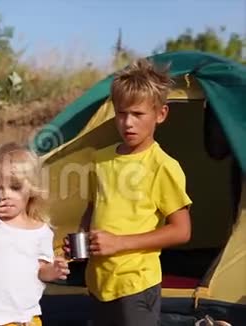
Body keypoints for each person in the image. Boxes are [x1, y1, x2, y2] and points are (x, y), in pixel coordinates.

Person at [67, 58, 193, 326]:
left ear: (160, 114)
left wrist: (119, 243)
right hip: (99, 282)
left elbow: (182, 231)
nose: (128, 123)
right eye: (122, 113)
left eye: (138, 114)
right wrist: (80, 242)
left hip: (136, 284)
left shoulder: (162, 166)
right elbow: (94, 208)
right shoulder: (100, 159)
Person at [0, 142, 71, 326]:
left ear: (31, 190)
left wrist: (54, 271)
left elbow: (40, 271)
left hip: (26, 319)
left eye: (15, 187)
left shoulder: (41, 231)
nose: (6, 194)